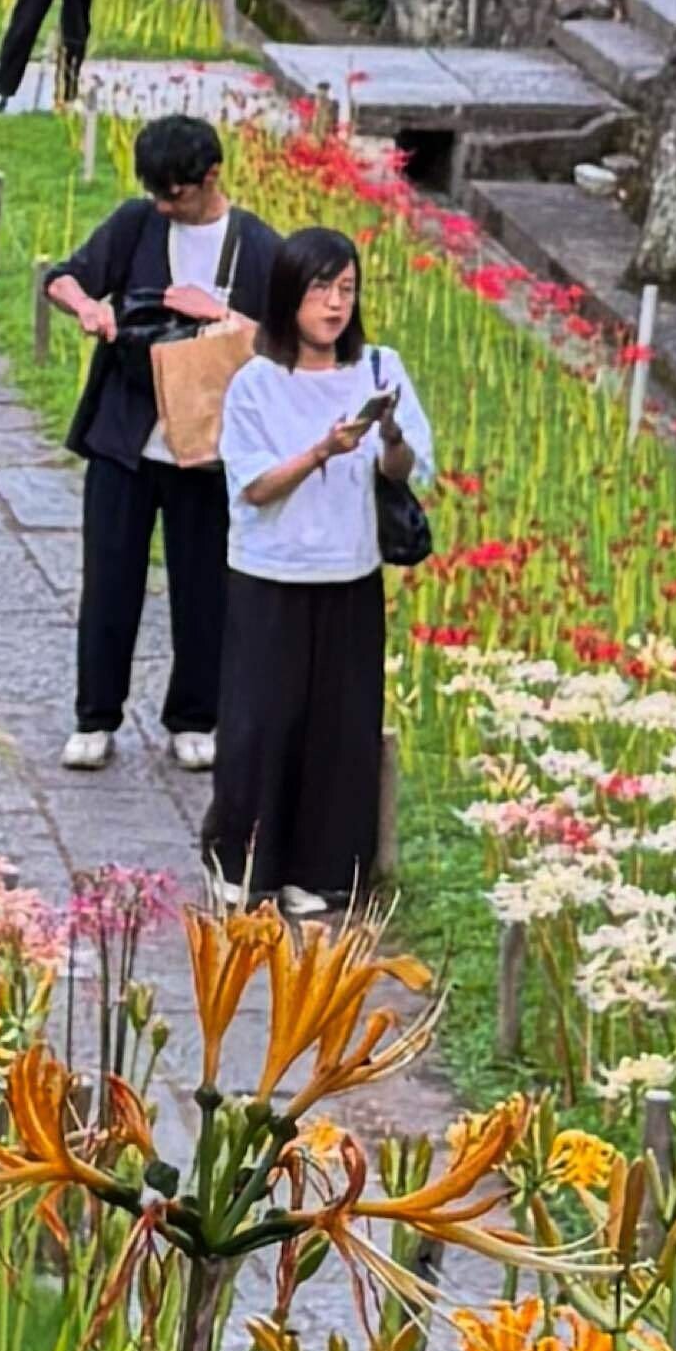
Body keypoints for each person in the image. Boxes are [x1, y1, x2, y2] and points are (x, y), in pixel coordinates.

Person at [38, 114, 285, 772]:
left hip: (207, 444)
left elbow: (291, 344)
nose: (164, 205)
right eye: (155, 192)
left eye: (175, 193)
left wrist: (220, 315)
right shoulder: (136, 224)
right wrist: (88, 308)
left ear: (211, 177)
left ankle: (195, 715)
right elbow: (65, 277)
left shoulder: (256, 245)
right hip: (125, 433)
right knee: (109, 578)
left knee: (205, 585)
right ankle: (96, 716)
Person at [207, 226, 422, 910]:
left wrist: (388, 437)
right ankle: (241, 863)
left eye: (346, 290)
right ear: (288, 297)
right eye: (321, 289)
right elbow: (255, 486)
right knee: (262, 721)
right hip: (271, 574)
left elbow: (407, 472)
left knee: (338, 726)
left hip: (350, 571)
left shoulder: (380, 369)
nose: (334, 305)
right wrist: (322, 450)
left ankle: (317, 869)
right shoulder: (256, 384)